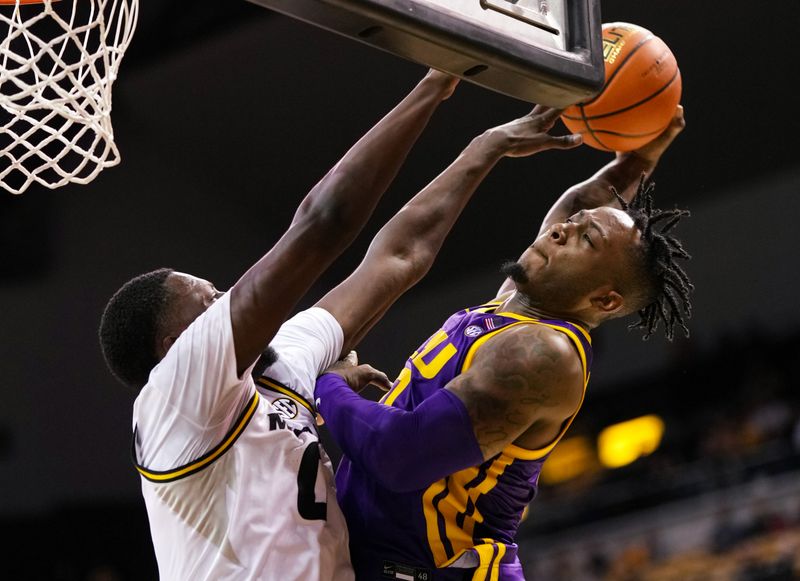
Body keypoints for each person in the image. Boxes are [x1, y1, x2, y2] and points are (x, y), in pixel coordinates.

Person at [98, 67, 583, 581]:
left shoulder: (279, 363)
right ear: (176, 347)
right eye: (209, 300)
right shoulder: (174, 400)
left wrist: (484, 149)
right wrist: (433, 84)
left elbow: (398, 258)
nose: (225, 300)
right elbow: (322, 222)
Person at [313, 108, 691, 580]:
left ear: (605, 299)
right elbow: (583, 199)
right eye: (571, 223)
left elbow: (400, 457)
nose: (561, 229)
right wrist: (638, 154)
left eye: (584, 238)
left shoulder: (540, 355)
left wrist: (324, 385)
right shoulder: (520, 301)